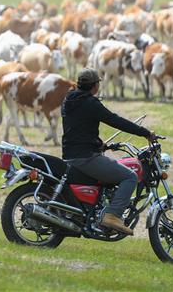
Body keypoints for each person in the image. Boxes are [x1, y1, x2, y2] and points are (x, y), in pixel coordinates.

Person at [61, 68, 156, 236]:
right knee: (130, 177)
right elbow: (115, 120)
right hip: (86, 157)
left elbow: (76, 129)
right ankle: (112, 215)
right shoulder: (90, 103)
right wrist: (145, 132)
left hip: (71, 154)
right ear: (95, 86)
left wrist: (98, 143)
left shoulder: (69, 100)